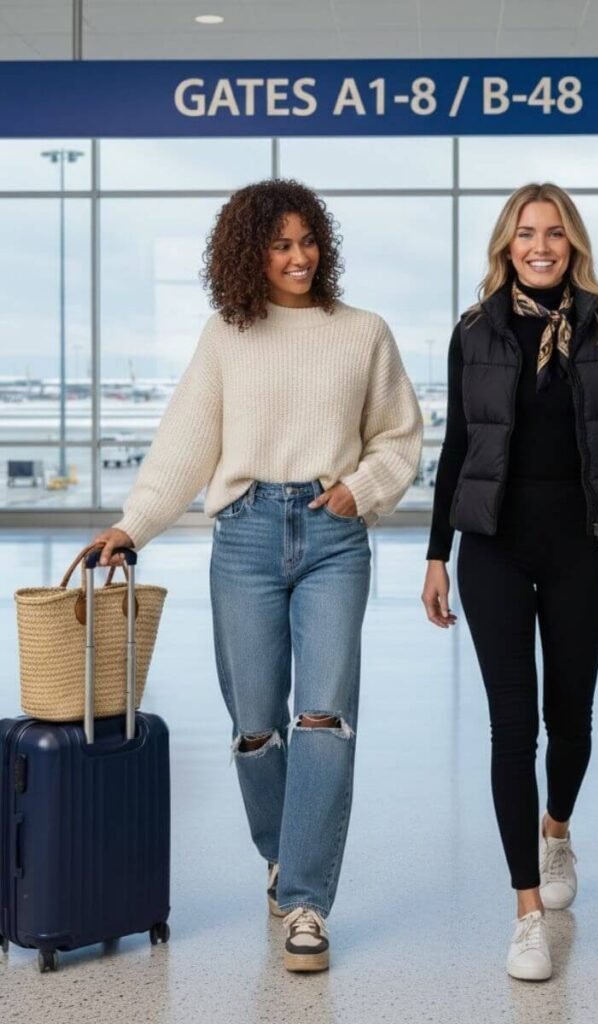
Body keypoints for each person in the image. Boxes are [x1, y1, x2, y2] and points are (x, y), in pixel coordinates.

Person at [92, 179, 423, 972]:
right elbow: (185, 445)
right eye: (281, 244)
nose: (299, 256)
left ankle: (307, 900)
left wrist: (362, 489)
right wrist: (132, 523)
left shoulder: (363, 332)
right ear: (250, 252)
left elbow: (401, 436)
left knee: (323, 718)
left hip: (334, 534)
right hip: (242, 535)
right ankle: (280, 853)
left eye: (308, 240)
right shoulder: (227, 336)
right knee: (254, 726)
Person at [420, 182, 598, 982]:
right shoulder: (476, 330)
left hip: (582, 545)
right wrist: (438, 554)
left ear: (572, 242)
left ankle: (557, 830)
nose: (538, 245)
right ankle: (527, 912)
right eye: (523, 233)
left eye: (553, 233)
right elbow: (458, 449)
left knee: (569, 718)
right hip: (494, 549)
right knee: (515, 730)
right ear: (506, 245)